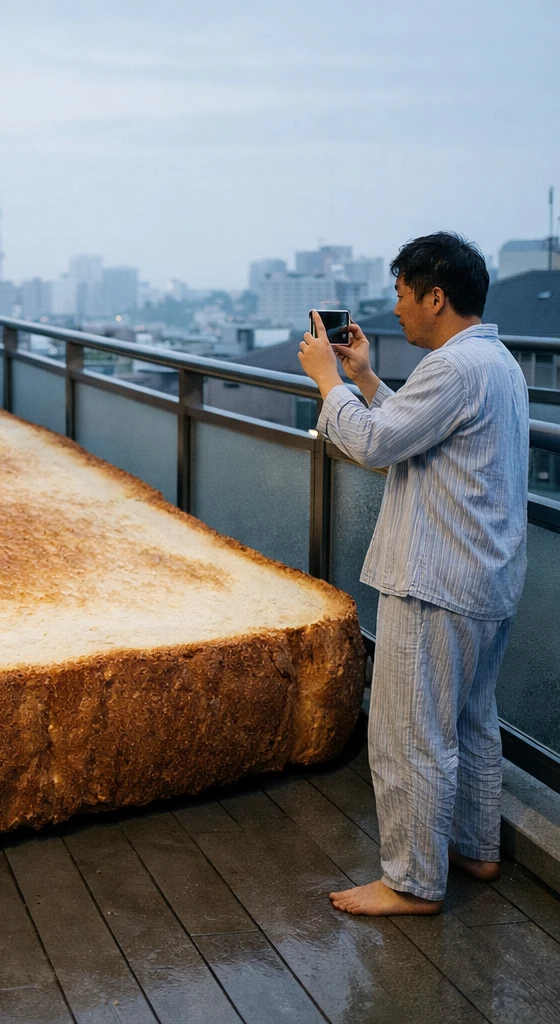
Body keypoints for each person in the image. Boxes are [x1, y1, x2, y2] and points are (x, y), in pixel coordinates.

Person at [297, 232, 529, 916]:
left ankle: (411, 882)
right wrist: (367, 378)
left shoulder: (455, 369)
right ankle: (475, 849)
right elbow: (414, 427)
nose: (395, 309)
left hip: (434, 580)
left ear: (436, 295)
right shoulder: (495, 362)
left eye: (403, 294)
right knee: (469, 722)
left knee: (408, 735)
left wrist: (327, 380)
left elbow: (372, 442)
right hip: (484, 579)